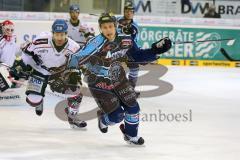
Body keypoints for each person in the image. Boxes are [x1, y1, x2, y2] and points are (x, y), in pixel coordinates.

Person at [66, 13, 172, 145]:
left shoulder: (125, 40)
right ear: (100, 28)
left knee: (133, 108)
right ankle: (103, 120)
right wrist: (72, 75)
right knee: (116, 116)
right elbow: (75, 58)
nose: (108, 30)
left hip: (118, 78)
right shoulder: (95, 43)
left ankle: (131, 135)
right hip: (99, 83)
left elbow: (137, 56)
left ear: (115, 26)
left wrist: (155, 50)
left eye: (110, 26)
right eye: (104, 27)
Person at [18, 19, 87, 129]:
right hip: (39, 70)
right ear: (52, 33)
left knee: (76, 91)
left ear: (66, 34)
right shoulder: (41, 41)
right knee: (33, 101)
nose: (59, 38)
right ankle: (39, 99)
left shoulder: (74, 47)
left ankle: (72, 116)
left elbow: (79, 64)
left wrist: (76, 73)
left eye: (62, 34)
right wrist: (21, 66)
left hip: (60, 74)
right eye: (56, 34)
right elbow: (27, 53)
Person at [117, 2, 141, 96]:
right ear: (124, 12)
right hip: (116, 49)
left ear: (133, 13)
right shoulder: (117, 20)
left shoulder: (135, 26)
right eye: (127, 11)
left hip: (128, 50)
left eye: (131, 11)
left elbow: (135, 42)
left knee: (135, 66)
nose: (129, 13)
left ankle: (130, 89)